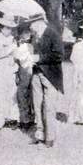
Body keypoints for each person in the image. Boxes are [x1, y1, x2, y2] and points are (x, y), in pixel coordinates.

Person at [29, 14, 65, 146]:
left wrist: (39, 58)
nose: (30, 26)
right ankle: (40, 134)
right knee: (37, 104)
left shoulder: (53, 34)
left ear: (39, 22)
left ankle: (50, 137)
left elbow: (59, 55)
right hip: (36, 73)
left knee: (49, 106)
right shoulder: (35, 36)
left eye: (31, 23)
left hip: (51, 76)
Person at [13, 23, 37, 131]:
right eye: (25, 33)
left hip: (28, 70)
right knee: (25, 94)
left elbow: (22, 59)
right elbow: (19, 59)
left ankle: (27, 119)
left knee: (25, 94)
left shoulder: (28, 46)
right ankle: (26, 118)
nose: (28, 35)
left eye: (29, 33)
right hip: (25, 70)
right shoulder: (23, 46)